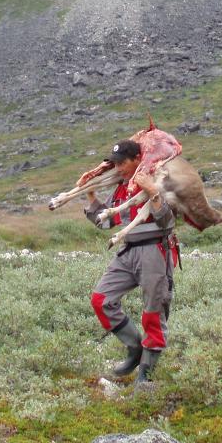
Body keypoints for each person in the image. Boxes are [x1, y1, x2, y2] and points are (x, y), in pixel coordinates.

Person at [82, 139, 178, 385]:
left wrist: (153, 192)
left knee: (153, 313)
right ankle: (135, 349)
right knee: (101, 300)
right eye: (115, 164)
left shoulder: (160, 178)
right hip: (127, 252)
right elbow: (107, 222)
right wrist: (90, 193)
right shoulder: (123, 187)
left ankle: (146, 375)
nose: (118, 168)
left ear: (138, 159)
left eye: (122, 163)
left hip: (155, 251)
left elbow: (167, 221)